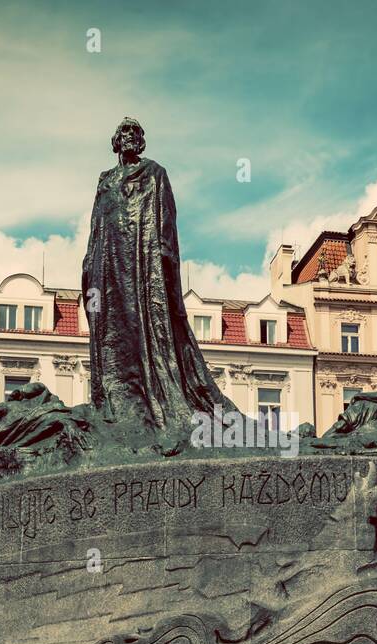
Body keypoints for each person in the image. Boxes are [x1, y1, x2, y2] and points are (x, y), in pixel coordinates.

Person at [81, 117, 234, 431]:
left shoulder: (155, 173)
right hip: (108, 264)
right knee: (112, 328)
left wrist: (164, 261)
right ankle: (117, 399)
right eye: (124, 132)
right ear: (115, 140)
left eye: (135, 132)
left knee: (146, 325)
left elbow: (166, 220)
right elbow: (96, 225)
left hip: (142, 262)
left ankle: (153, 401)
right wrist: (89, 261)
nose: (129, 136)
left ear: (141, 141)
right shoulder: (105, 179)